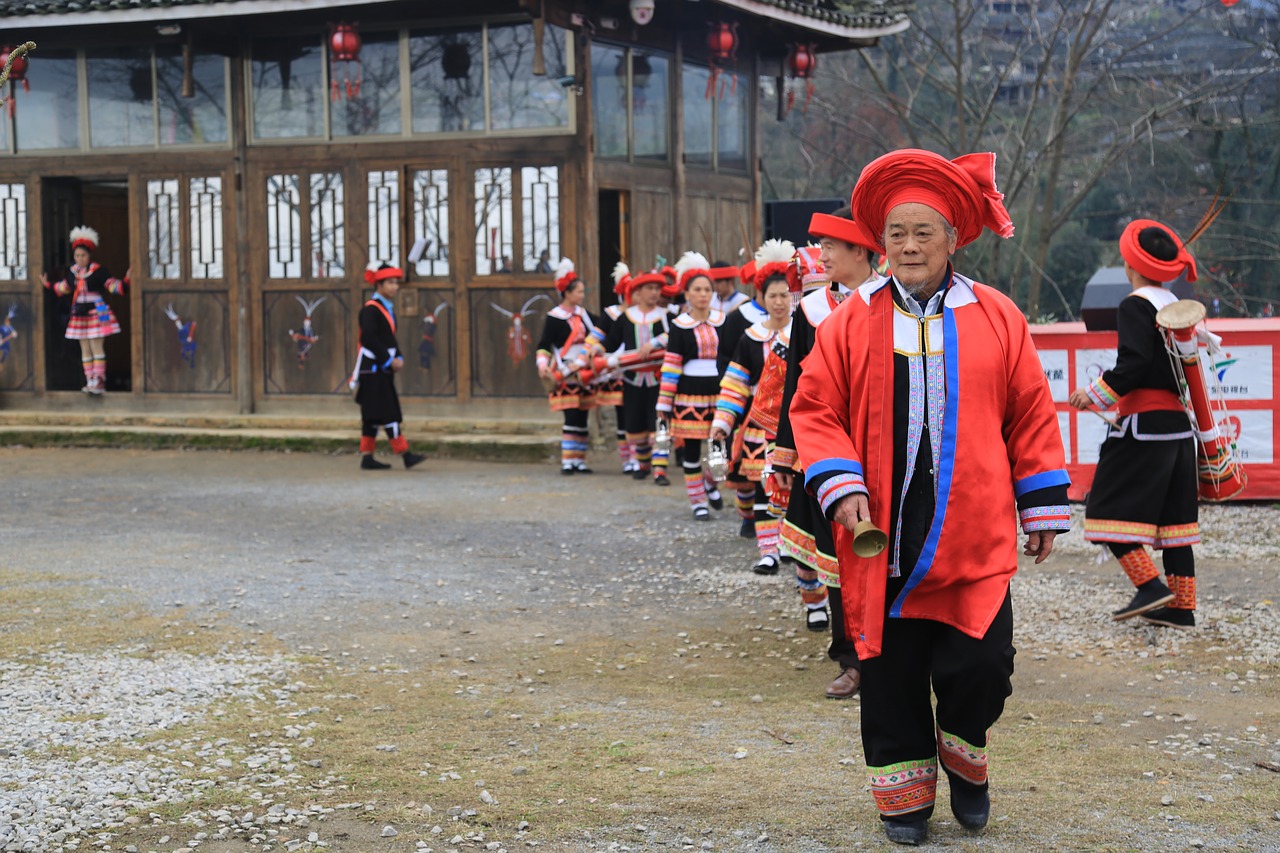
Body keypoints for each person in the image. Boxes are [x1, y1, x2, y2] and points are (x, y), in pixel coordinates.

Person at [789, 149, 1070, 846]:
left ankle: (966, 755)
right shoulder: (852, 321)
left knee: (980, 667)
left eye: (923, 232)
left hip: (971, 527)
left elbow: (1031, 413)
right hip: (881, 528)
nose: (909, 246)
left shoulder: (998, 316)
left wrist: (1039, 502)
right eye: (896, 234)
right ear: (881, 243)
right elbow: (815, 406)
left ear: (952, 239)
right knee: (889, 669)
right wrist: (842, 482)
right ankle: (904, 800)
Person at [770, 208, 883, 701]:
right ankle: (851, 658)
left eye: (832, 246)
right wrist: (783, 457)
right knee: (835, 556)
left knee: (888, 553)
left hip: (886, 446)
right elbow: (795, 385)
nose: (823, 255)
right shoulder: (811, 310)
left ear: (861, 249)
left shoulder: (894, 303)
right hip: (825, 450)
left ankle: (894, 656)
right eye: (821, 246)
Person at [1068, 220, 1201, 627]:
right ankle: (1181, 608)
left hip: (1144, 427)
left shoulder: (1135, 304)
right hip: (1180, 429)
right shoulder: (1180, 308)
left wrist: (1094, 393)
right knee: (1177, 522)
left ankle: (1150, 586)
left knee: (1105, 506)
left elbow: (1135, 363)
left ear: (1129, 263)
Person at [711, 239, 795, 574]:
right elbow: (734, 384)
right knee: (764, 484)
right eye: (773, 296)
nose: (779, 301)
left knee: (792, 488)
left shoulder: (804, 334)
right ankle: (768, 551)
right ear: (761, 297)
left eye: (785, 295)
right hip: (759, 424)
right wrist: (722, 421)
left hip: (796, 424)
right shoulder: (750, 338)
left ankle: (790, 545)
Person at [657, 252, 727, 520]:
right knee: (693, 450)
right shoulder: (679, 326)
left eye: (707, 289)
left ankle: (711, 482)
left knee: (721, 446)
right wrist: (664, 404)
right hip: (688, 394)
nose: (702, 294)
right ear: (686, 293)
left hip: (719, 391)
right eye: (697, 289)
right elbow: (671, 367)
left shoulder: (724, 321)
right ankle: (697, 500)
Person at [352, 262, 427, 470]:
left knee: (373, 415)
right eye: (391, 282)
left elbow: (388, 338)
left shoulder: (386, 308)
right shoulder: (370, 310)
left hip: (380, 369)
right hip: (373, 369)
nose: (395, 287)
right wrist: (388, 359)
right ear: (379, 284)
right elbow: (368, 338)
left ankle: (367, 457)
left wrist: (398, 356)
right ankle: (405, 454)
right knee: (389, 412)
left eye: (396, 283)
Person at [535, 258, 603, 475]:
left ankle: (580, 460)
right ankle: (567, 460)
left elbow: (601, 331)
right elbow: (544, 344)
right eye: (579, 292)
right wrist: (543, 365)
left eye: (583, 292)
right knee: (571, 415)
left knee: (583, 415)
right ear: (567, 293)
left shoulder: (585, 316)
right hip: (565, 371)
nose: (582, 296)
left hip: (583, 370)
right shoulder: (554, 318)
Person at [42, 226, 128, 395]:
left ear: (89, 255)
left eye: (83, 255)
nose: (80, 259)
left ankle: (99, 380)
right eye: (77, 256)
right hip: (80, 313)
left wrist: (126, 281)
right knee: (85, 348)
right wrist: (47, 284)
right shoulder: (72, 273)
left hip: (97, 312)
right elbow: (64, 288)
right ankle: (89, 379)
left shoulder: (99, 271)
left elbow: (114, 286)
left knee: (97, 346)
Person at [603, 262, 669, 481]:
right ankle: (642, 465)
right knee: (636, 424)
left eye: (657, 289)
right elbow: (611, 344)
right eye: (649, 289)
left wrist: (656, 342)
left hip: (658, 379)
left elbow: (678, 337)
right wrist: (597, 350)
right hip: (632, 379)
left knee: (658, 423)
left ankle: (660, 469)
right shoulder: (625, 318)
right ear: (637, 292)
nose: (654, 293)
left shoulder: (666, 316)